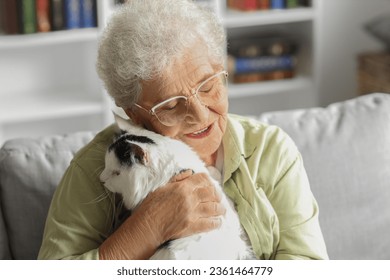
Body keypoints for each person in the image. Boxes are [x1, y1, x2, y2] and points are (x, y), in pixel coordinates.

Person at [38, 0, 328, 260]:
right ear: (133, 114)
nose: (200, 115)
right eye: (171, 104)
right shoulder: (94, 169)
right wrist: (146, 230)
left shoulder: (271, 150)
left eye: (209, 85)